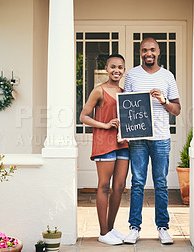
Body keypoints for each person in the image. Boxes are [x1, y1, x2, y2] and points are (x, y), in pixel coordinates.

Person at [123, 38, 181, 244]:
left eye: (152, 50)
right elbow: (125, 107)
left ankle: (163, 228)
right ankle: (134, 228)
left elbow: (177, 109)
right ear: (140, 52)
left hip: (161, 138)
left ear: (159, 52)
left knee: (161, 183)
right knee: (137, 183)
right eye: (145, 50)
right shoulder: (131, 75)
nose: (149, 53)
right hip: (138, 137)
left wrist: (163, 100)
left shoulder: (167, 76)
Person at [80, 54, 129, 245]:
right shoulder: (98, 91)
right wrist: (105, 125)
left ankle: (110, 228)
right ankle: (102, 232)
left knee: (119, 187)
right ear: (106, 69)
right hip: (104, 143)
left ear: (124, 70)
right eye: (113, 67)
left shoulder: (125, 93)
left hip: (122, 143)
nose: (117, 70)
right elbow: (83, 116)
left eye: (121, 67)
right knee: (104, 186)